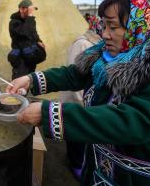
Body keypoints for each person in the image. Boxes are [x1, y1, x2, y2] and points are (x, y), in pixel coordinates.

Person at [8, 0, 150, 185]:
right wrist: (30, 79)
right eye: (104, 25)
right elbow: (76, 74)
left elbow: (135, 120)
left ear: (140, 26)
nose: (105, 34)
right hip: (101, 173)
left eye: (114, 26)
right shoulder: (110, 55)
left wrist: (49, 114)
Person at [63, 14, 102, 179]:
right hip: (76, 99)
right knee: (75, 134)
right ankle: (76, 165)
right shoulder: (83, 44)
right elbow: (75, 76)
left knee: (81, 136)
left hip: (85, 101)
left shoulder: (98, 44)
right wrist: (81, 102)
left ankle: (79, 162)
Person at [8, 0, 45, 79]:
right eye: (29, 10)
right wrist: (30, 16)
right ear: (22, 9)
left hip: (31, 56)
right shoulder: (14, 22)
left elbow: (33, 33)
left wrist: (39, 41)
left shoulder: (29, 21)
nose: (31, 12)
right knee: (19, 82)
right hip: (21, 60)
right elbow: (25, 32)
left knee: (29, 80)